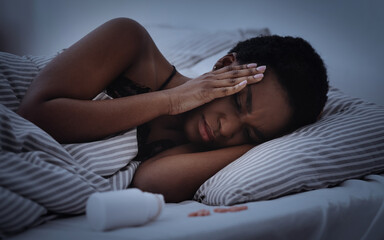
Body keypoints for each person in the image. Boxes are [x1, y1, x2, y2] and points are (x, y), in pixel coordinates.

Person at [17, 18, 328, 202]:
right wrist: (173, 100)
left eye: (250, 132)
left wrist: (257, 144)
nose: (228, 128)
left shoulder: (196, 148)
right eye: (237, 102)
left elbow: (150, 183)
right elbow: (35, 115)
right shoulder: (130, 41)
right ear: (223, 66)